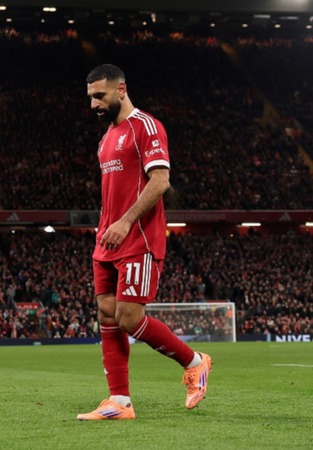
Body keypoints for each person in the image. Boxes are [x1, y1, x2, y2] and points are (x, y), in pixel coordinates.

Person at [77, 64, 213, 421]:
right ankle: (119, 403)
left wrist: (125, 221)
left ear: (121, 89)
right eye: (90, 97)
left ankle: (195, 362)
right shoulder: (106, 138)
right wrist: (109, 225)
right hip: (107, 239)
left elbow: (160, 181)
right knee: (107, 314)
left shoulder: (146, 127)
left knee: (128, 316)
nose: (94, 104)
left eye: (100, 95)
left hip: (137, 236)